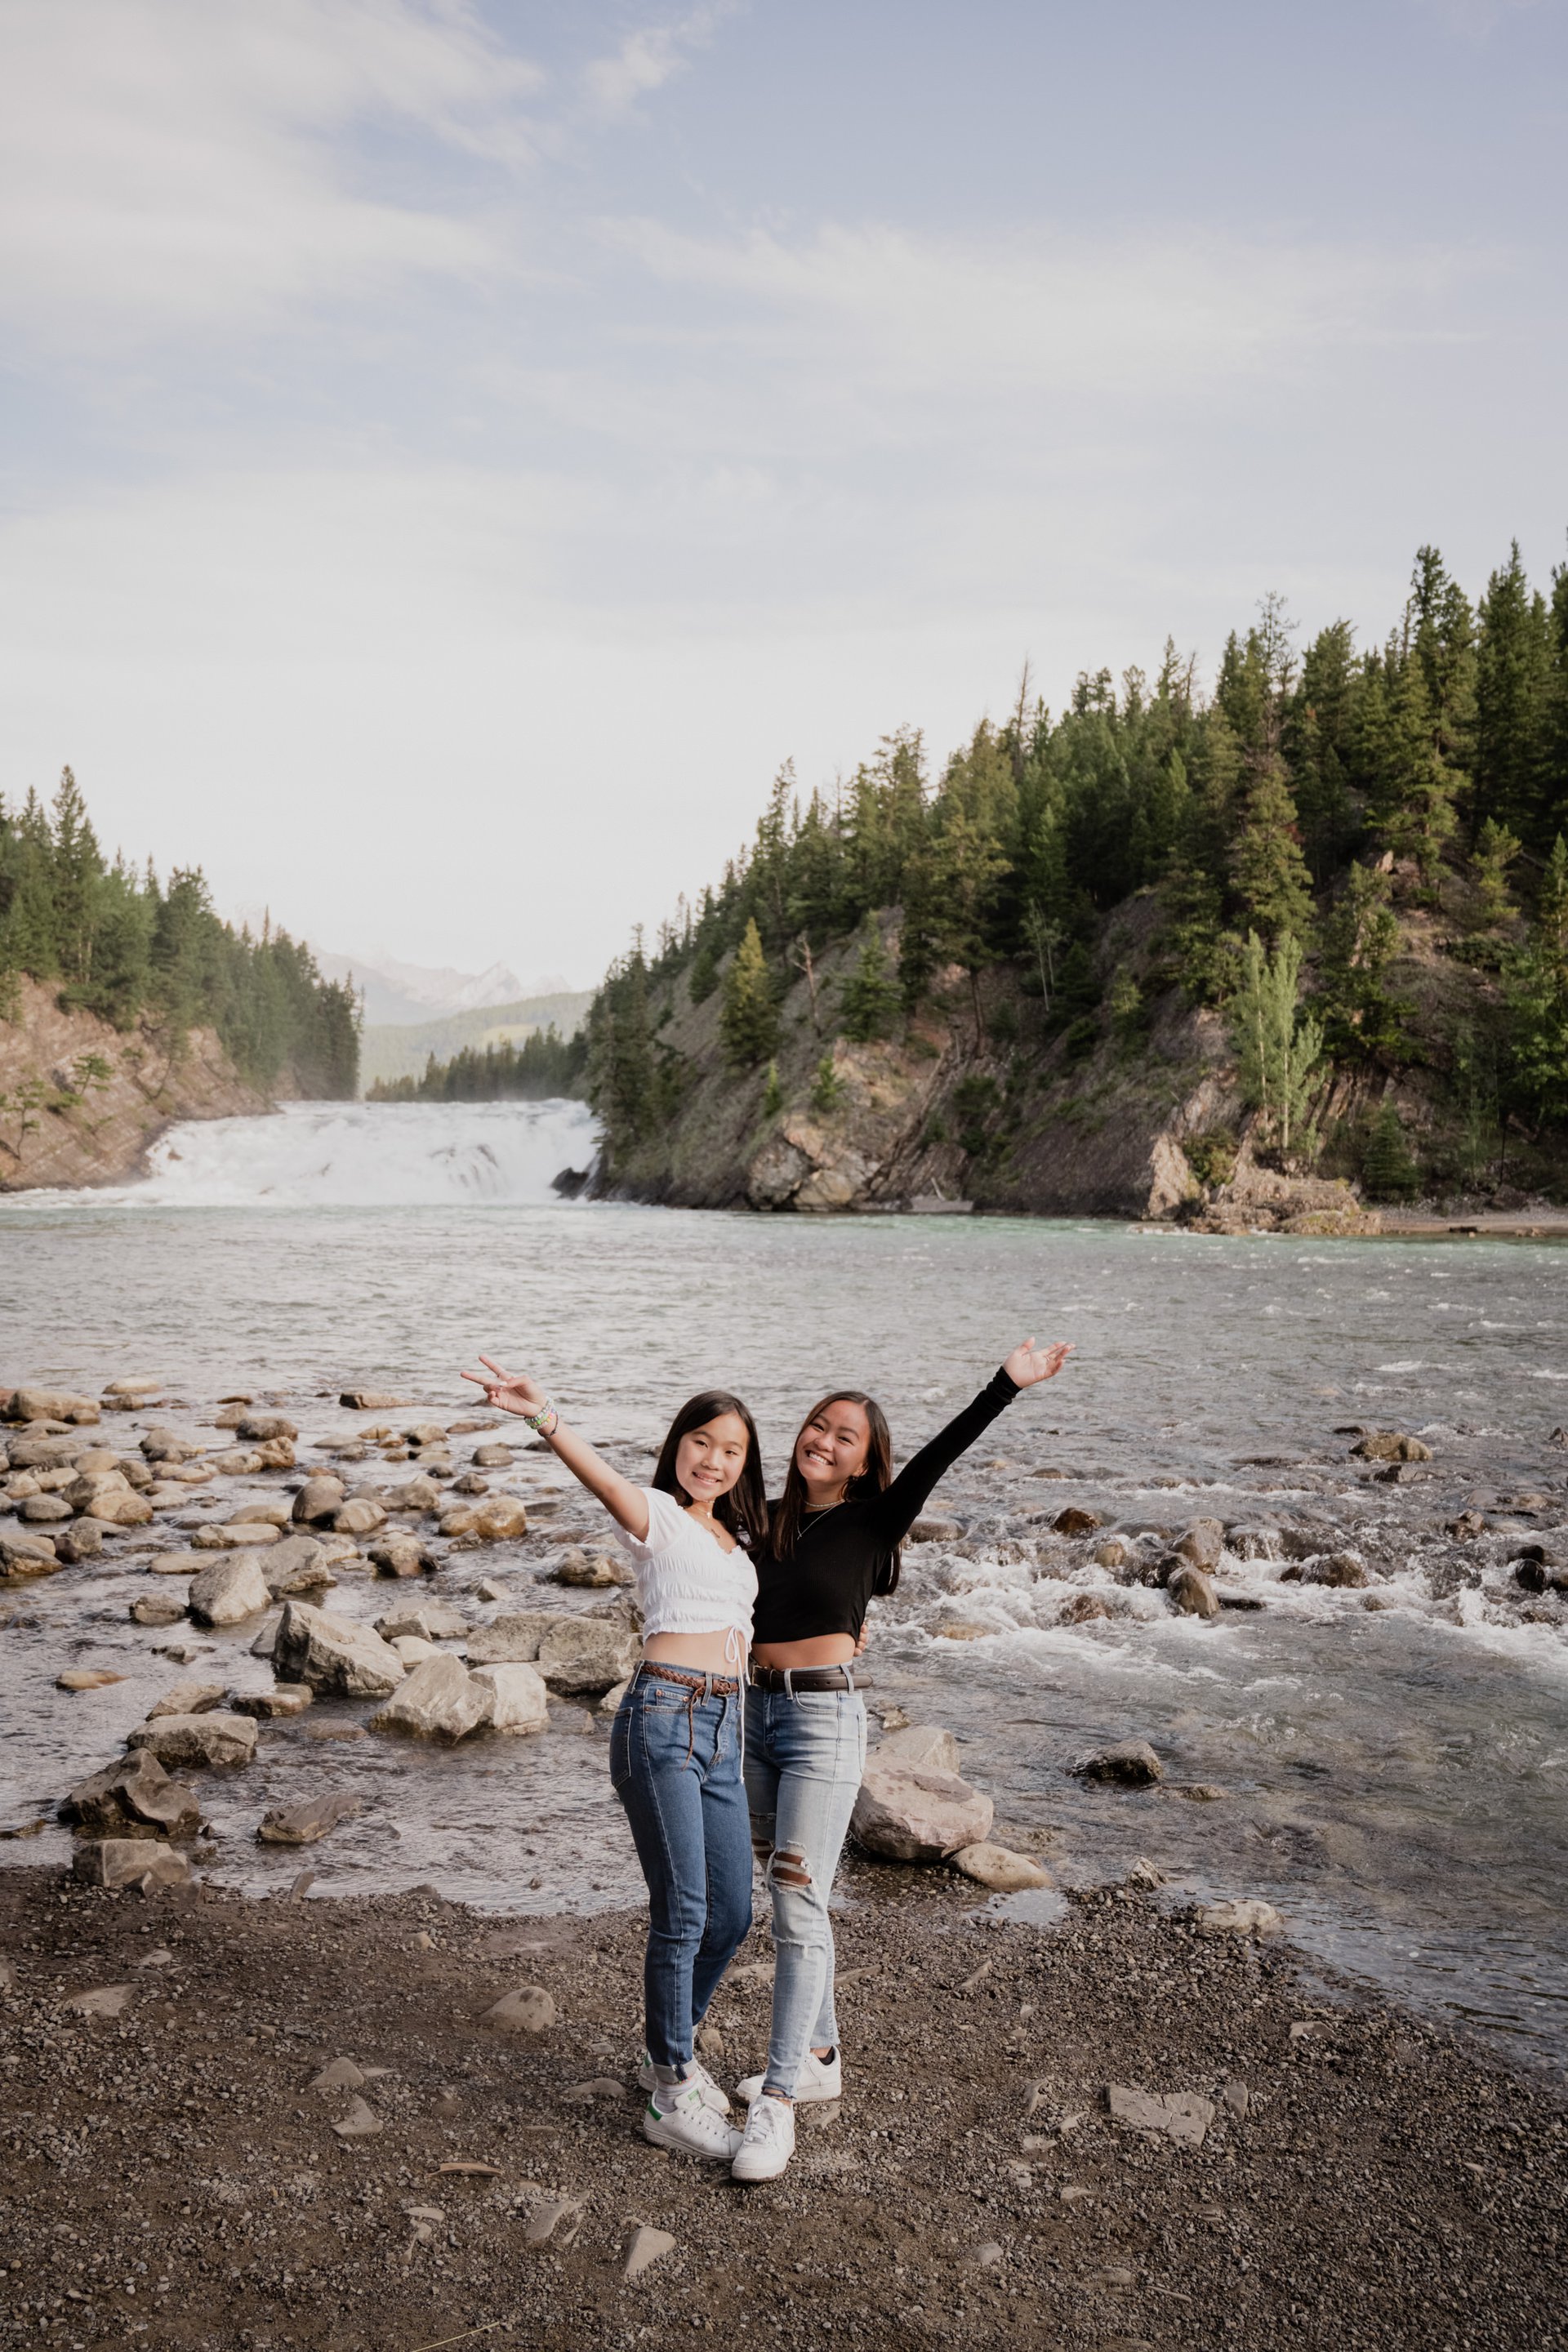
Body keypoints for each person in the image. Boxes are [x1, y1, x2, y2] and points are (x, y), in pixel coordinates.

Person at [728, 1339, 1074, 2185]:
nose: (826, 1439)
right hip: (756, 1716)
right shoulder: (764, 1519)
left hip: (823, 1720)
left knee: (800, 1902)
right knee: (785, 1891)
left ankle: (776, 2104)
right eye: (818, 1424)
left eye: (847, 1435)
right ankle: (818, 2057)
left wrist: (1006, 1385)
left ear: (867, 1461)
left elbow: (943, 1452)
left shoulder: (876, 1518)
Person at [463, 1353, 767, 2163]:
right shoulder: (659, 1514)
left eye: (731, 1450)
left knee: (733, 1913)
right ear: (678, 1448)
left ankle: (669, 2049)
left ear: (745, 1465)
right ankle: (671, 2089)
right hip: (662, 1717)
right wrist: (543, 1415)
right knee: (686, 1910)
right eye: (702, 1442)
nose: (714, 1459)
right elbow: (600, 1480)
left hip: (723, 1730)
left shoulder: (739, 1543)